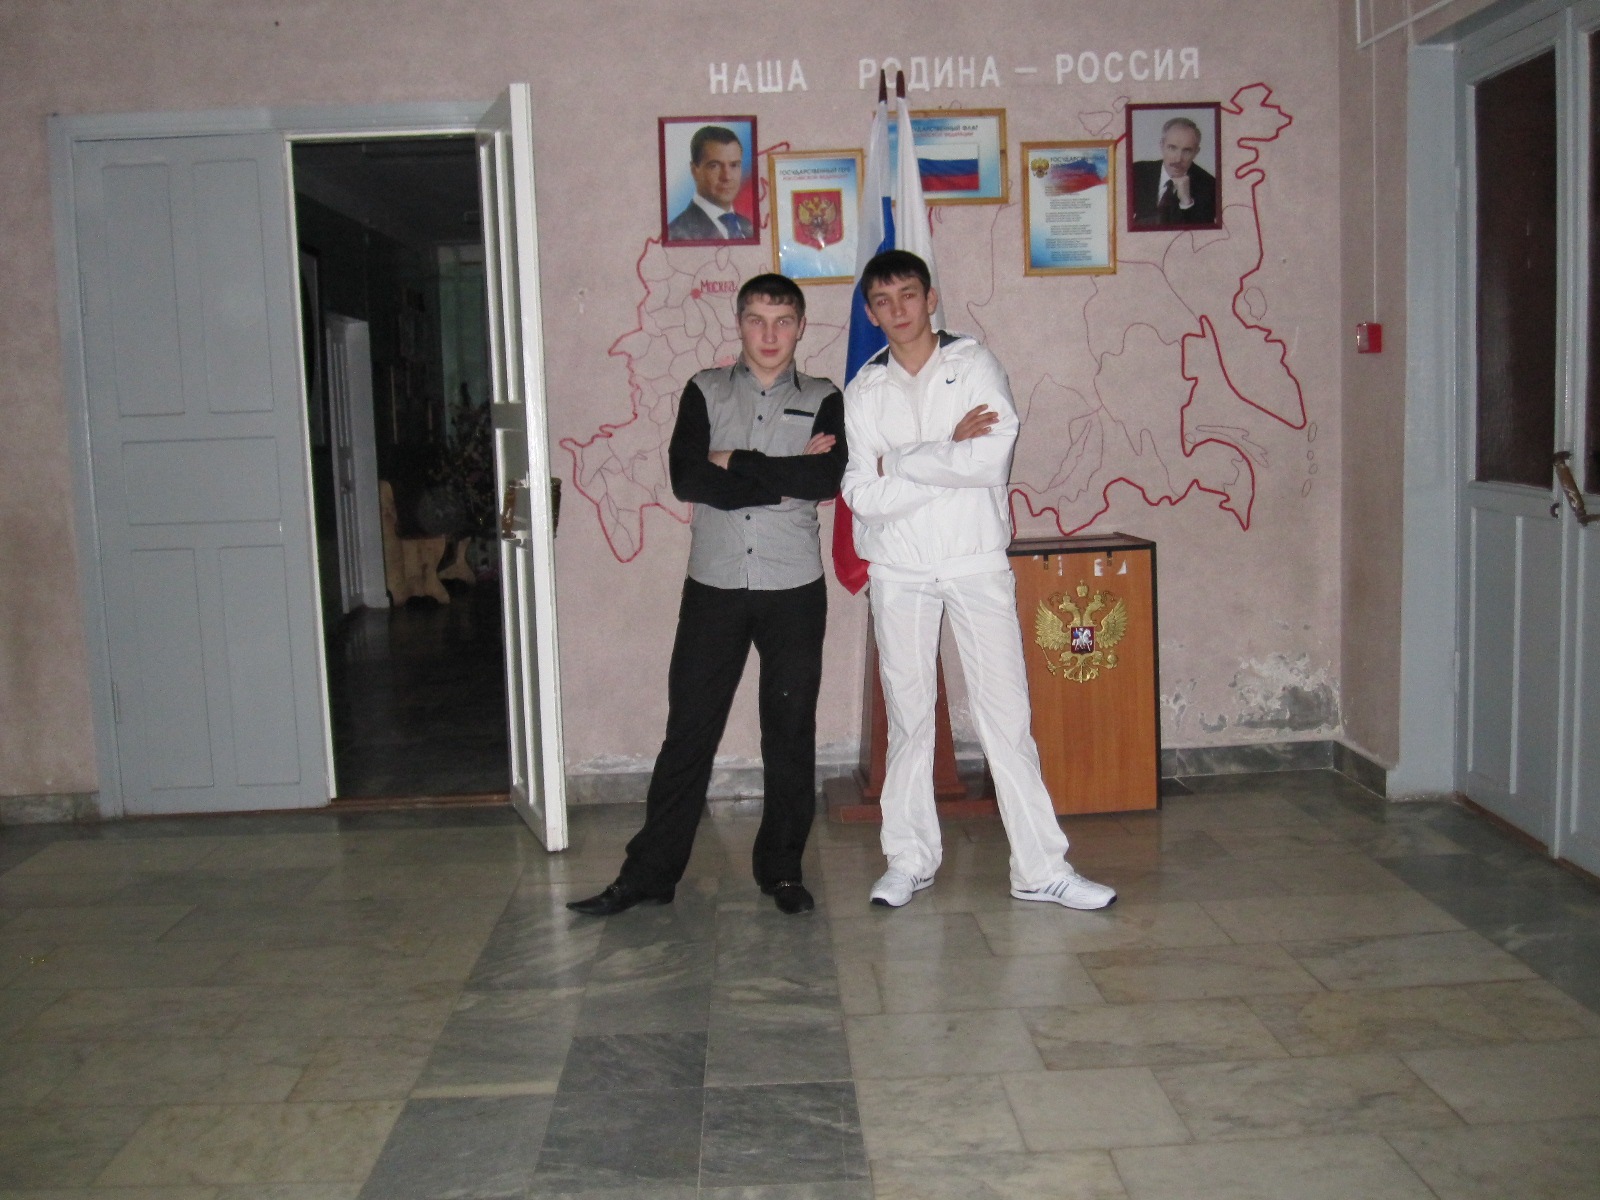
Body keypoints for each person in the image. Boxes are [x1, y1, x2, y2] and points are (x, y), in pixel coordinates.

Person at [840, 249, 1116, 911]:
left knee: (1006, 718)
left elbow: (988, 462)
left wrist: (898, 462)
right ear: (871, 313)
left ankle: (1040, 868)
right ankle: (909, 861)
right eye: (883, 301)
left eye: (908, 295)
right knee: (909, 721)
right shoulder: (864, 390)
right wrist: (944, 452)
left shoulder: (973, 365)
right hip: (899, 569)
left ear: (931, 298)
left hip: (974, 561)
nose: (898, 310)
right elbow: (859, 494)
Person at [569, 274, 845, 917]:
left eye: (783, 321)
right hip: (714, 586)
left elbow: (825, 479)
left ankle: (781, 870)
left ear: (801, 326)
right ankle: (649, 874)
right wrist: (781, 477)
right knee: (689, 731)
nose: (770, 334)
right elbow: (685, 478)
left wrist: (733, 460)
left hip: (793, 586)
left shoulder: (825, 396)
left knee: (789, 731)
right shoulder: (704, 389)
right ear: (738, 322)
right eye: (756, 320)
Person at [666, 125, 755, 241]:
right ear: (694, 171)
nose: (727, 177)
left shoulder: (747, 226)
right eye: (714, 166)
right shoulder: (675, 234)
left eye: (734, 165)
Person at [1130, 116, 1217, 227]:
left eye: (1187, 151)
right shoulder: (1136, 172)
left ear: (1196, 152)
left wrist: (1186, 202)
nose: (1178, 159)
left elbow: (1205, 233)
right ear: (1162, 145)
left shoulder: (1210, 186)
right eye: (1172, 148)